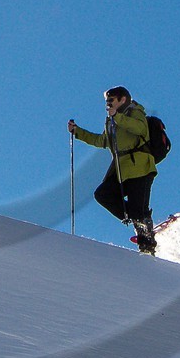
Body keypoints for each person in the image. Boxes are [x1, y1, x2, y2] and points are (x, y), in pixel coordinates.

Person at [69, 86, 159, 253]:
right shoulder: (111, 120)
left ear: (122, 99)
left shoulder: (135, 112)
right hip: (121, 170)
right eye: (107, 101)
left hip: (140, 167)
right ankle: (140, 220)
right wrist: (78, 132)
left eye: (111, 100)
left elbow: (140, 129)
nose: (108, 104)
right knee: (103, 194)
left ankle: (146, 243)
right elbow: (103, 141)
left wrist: (117, 117)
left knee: (138, 208)